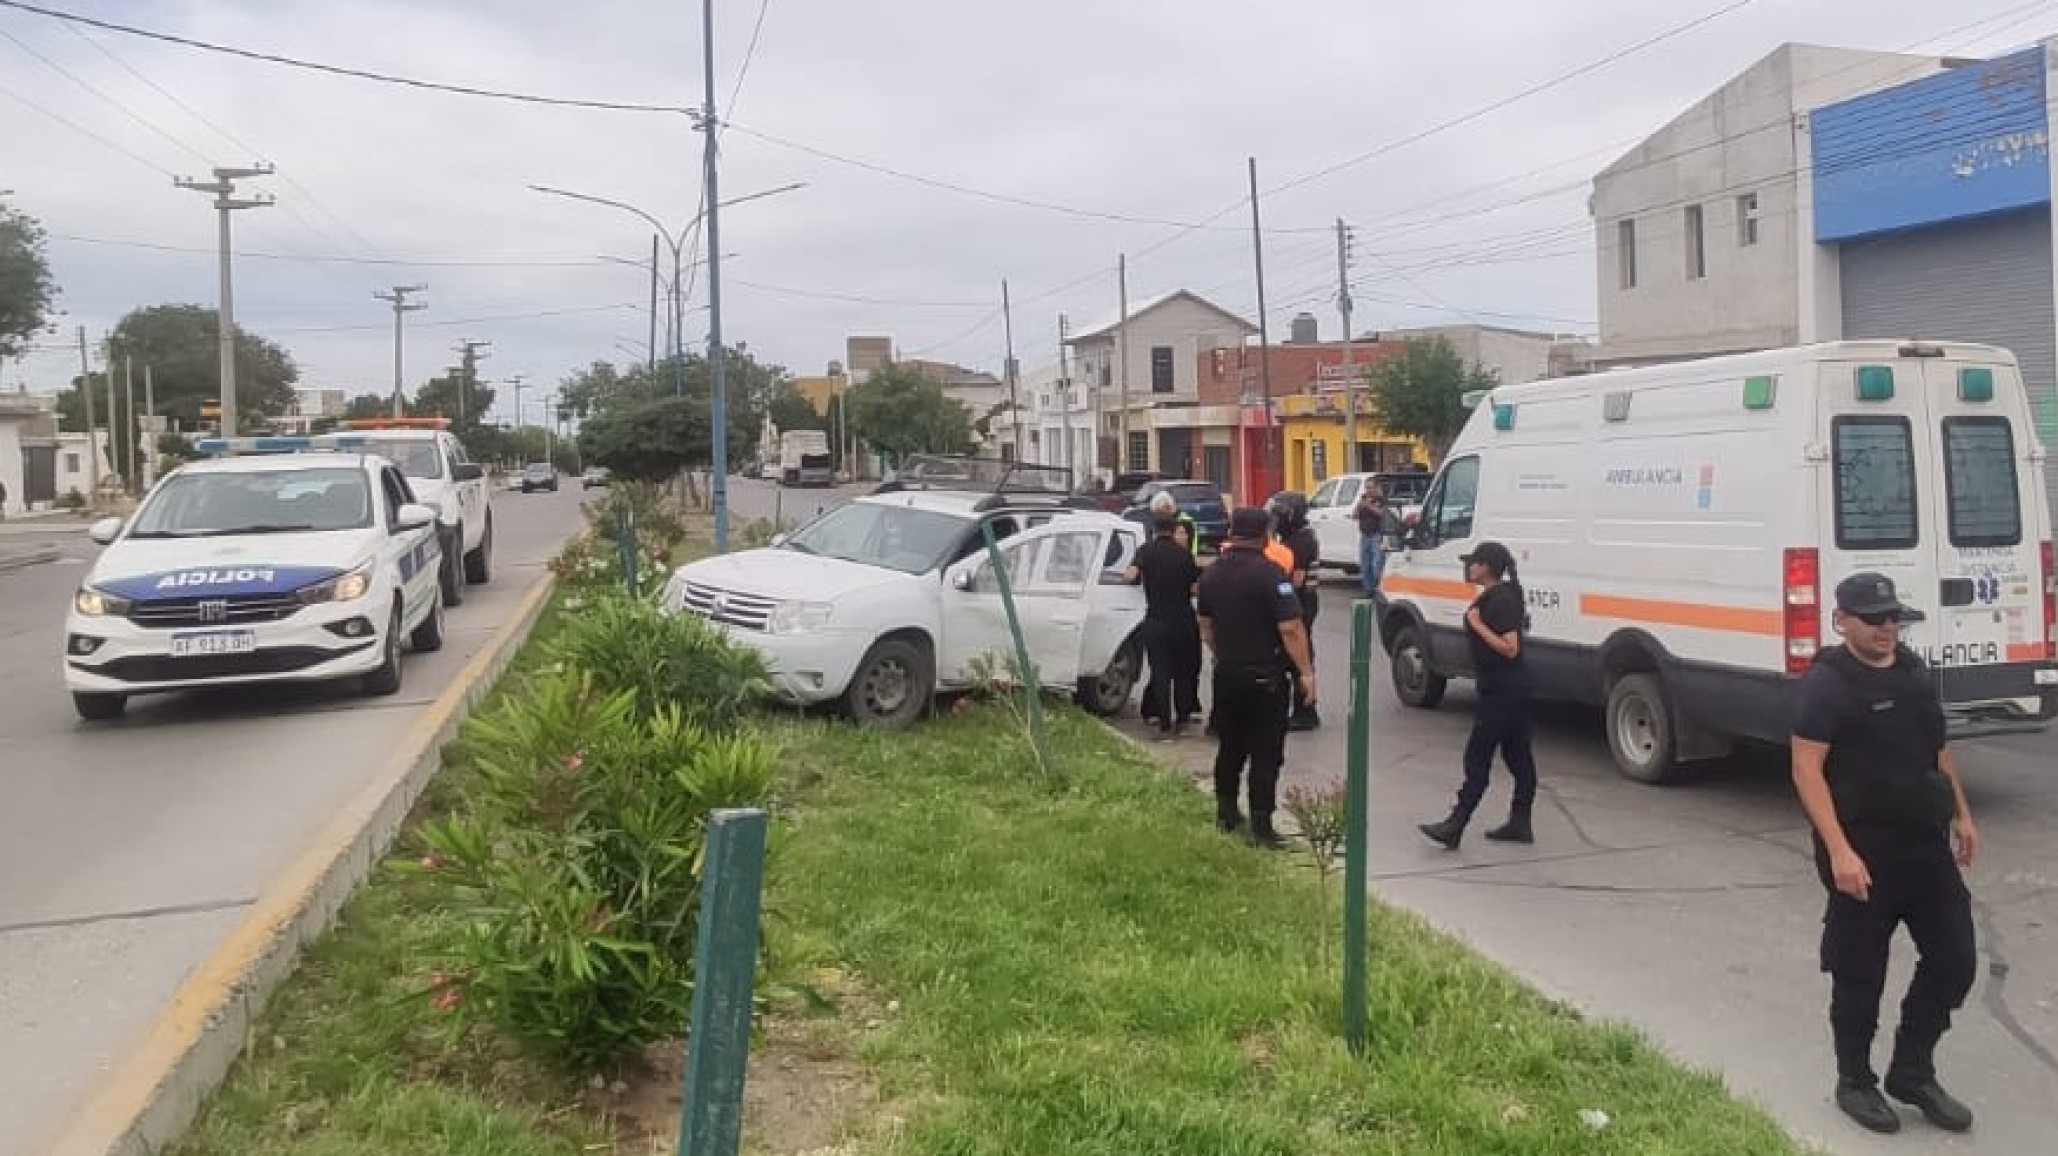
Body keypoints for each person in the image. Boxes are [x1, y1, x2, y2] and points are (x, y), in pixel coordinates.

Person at [1790, 572, 1978, 1136]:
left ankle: (1912, 1070)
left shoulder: (1914, 672)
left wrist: (1963, 814)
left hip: (1925, 845)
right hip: (1862, 853)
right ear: (1841, 620)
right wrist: (1839, 851)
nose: (1886, 628)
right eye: (1874, 619)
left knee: (1955, 960)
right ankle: (1855, 1080)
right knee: (1858, 974)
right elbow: (1806, 768)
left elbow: (1936, 752)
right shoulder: (1827, 683)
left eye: (1893, 617)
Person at [1197, 507, 1317, 849]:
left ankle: (1226, 814)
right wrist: (1306, 674)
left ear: (1232, 533)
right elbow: (1291, 628)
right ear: (1265, 535)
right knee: (1265, 753)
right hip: (1265, 677)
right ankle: (1262, 826)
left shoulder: (1211, 575)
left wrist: (1222, 653)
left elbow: (1205, 626)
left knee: (1230, 747)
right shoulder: (1270, 574)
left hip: (1227, 673)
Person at [1418, 541, 1538, 850]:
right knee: (1517, 754)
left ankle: (1456, 825)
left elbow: (1510, 648)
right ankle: (1520, 822)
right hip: (1512, 688)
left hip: (1502, 690)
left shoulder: (1499, 601)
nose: (1468, 567)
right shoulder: (1500, 595)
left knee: (1478, 756)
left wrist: (1478, 624)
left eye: (1473, 562)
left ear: (1485, 566)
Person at [1127, 506, 1203, 738]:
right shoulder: (1183, 554)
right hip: (1183, 620)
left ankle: (1163, 724)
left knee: (1160, 672)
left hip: (1156, 620)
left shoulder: (1145, 551)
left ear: (1154, 530)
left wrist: (1138, 578)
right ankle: (1182, 719)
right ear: (1173, 530)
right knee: (1182, 671)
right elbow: (1195, 588)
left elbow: (1130, 575)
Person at [1268, 491, 1323, 731]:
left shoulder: (1300, 541)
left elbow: (1297, 579)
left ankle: (1305, 711)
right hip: (1301, 601)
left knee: (1297, 654)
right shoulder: (1295, 537)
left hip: (1301, 603)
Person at [1354, 486, 1398, 597]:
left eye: (1371, 487)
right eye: (1367, 487)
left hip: (1377, 535)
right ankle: (1368, 590)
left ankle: (1378, 589)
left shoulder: (1381, 500)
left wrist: (1369, 506)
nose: (1369, 490)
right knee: (1365, 565)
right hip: (1365, 535)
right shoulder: (1363, 500)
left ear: (1376, 488)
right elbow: (1354, 516)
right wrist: (1359, 507)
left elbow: (1382, 514)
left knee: (1377, 564)